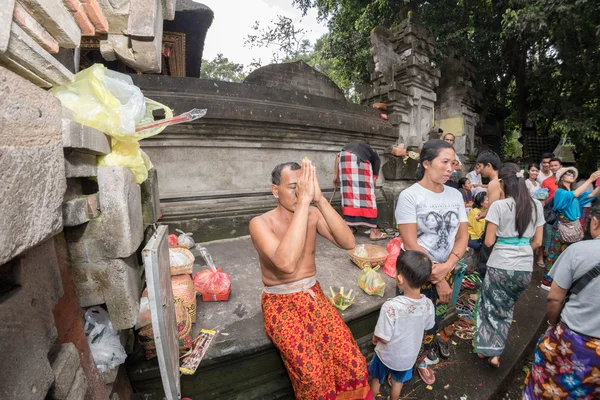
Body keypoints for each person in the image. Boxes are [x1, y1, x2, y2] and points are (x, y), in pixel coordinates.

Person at [249, 160, 372, 399]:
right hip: (280, 304)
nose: (299, 192)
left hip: (313, 295)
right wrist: (304, 201)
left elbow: (348, 242)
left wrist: (320, 199)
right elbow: (285, 263)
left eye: (304, 185)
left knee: (353, 363)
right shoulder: (260, 223)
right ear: (275, 190)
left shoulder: (313, 213)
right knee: (312, 376)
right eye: (293, 186)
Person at [395, 139, 468, 385]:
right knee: (412, 320)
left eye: (453, 163)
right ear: (426, 163)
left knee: (434, 320)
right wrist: (436, 279)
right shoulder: (409, 196)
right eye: (444, 162)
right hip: (416, 272)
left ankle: (424, 355)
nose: (451, 168)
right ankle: (408, 362)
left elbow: (462, 236)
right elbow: (411, 243)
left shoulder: (456, 195)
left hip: (445, 269)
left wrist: (446, 268)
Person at [523, 203, 600, 400]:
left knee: (548, 387)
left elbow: (554, 298)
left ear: (596, 222)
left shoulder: (578, 251)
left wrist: (553, 323)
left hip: (574, 342)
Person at [473, 163, 545, 368]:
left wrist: (506, 246)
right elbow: (538, 242)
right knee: (505, 307)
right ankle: (495, 349)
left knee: (489, 306)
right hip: (524, 269)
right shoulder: (536, 205)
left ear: (504, 183)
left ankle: (489, 351)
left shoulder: (498, 206)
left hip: (500, 265)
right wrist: (521, 249)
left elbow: (488, 242)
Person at [369, 251, 435, 400]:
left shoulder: (391, 307)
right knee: (398, 382)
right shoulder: (428, 305)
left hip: (386, 355)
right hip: (407, 358)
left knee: (376, 379)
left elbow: (384, 337)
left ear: (399, 278)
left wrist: (375, 337)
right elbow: (428, 325)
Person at [541, 168, 600, 290]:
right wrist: (590, 179)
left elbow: (593, 194)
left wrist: (598, 182)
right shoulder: (560, 192)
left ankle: (559, 280)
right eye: (568, 173)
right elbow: (575, 194)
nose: (571, 175)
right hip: (562, 227)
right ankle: (546, 281)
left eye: (572, 173)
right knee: (555, 254)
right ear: (561, 177)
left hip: (572, 227)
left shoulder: (573, 192)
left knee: (567, 255)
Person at [334, 142, 387, 240]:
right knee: (367, 196)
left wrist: (336, 177)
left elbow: (337, 156)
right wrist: (373, 181)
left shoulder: (346, 148)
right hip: (359, 160)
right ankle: (373, 232)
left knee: (349, 194)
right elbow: (375, 172)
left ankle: (350, 228)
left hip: (343, 158)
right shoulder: (375, 155)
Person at [474, 150, 503, 221]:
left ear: (488, 166)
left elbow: (492, 212)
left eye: (480, 166)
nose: (479, 170)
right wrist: (484, 213)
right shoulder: (501, 181)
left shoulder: (493, 183)